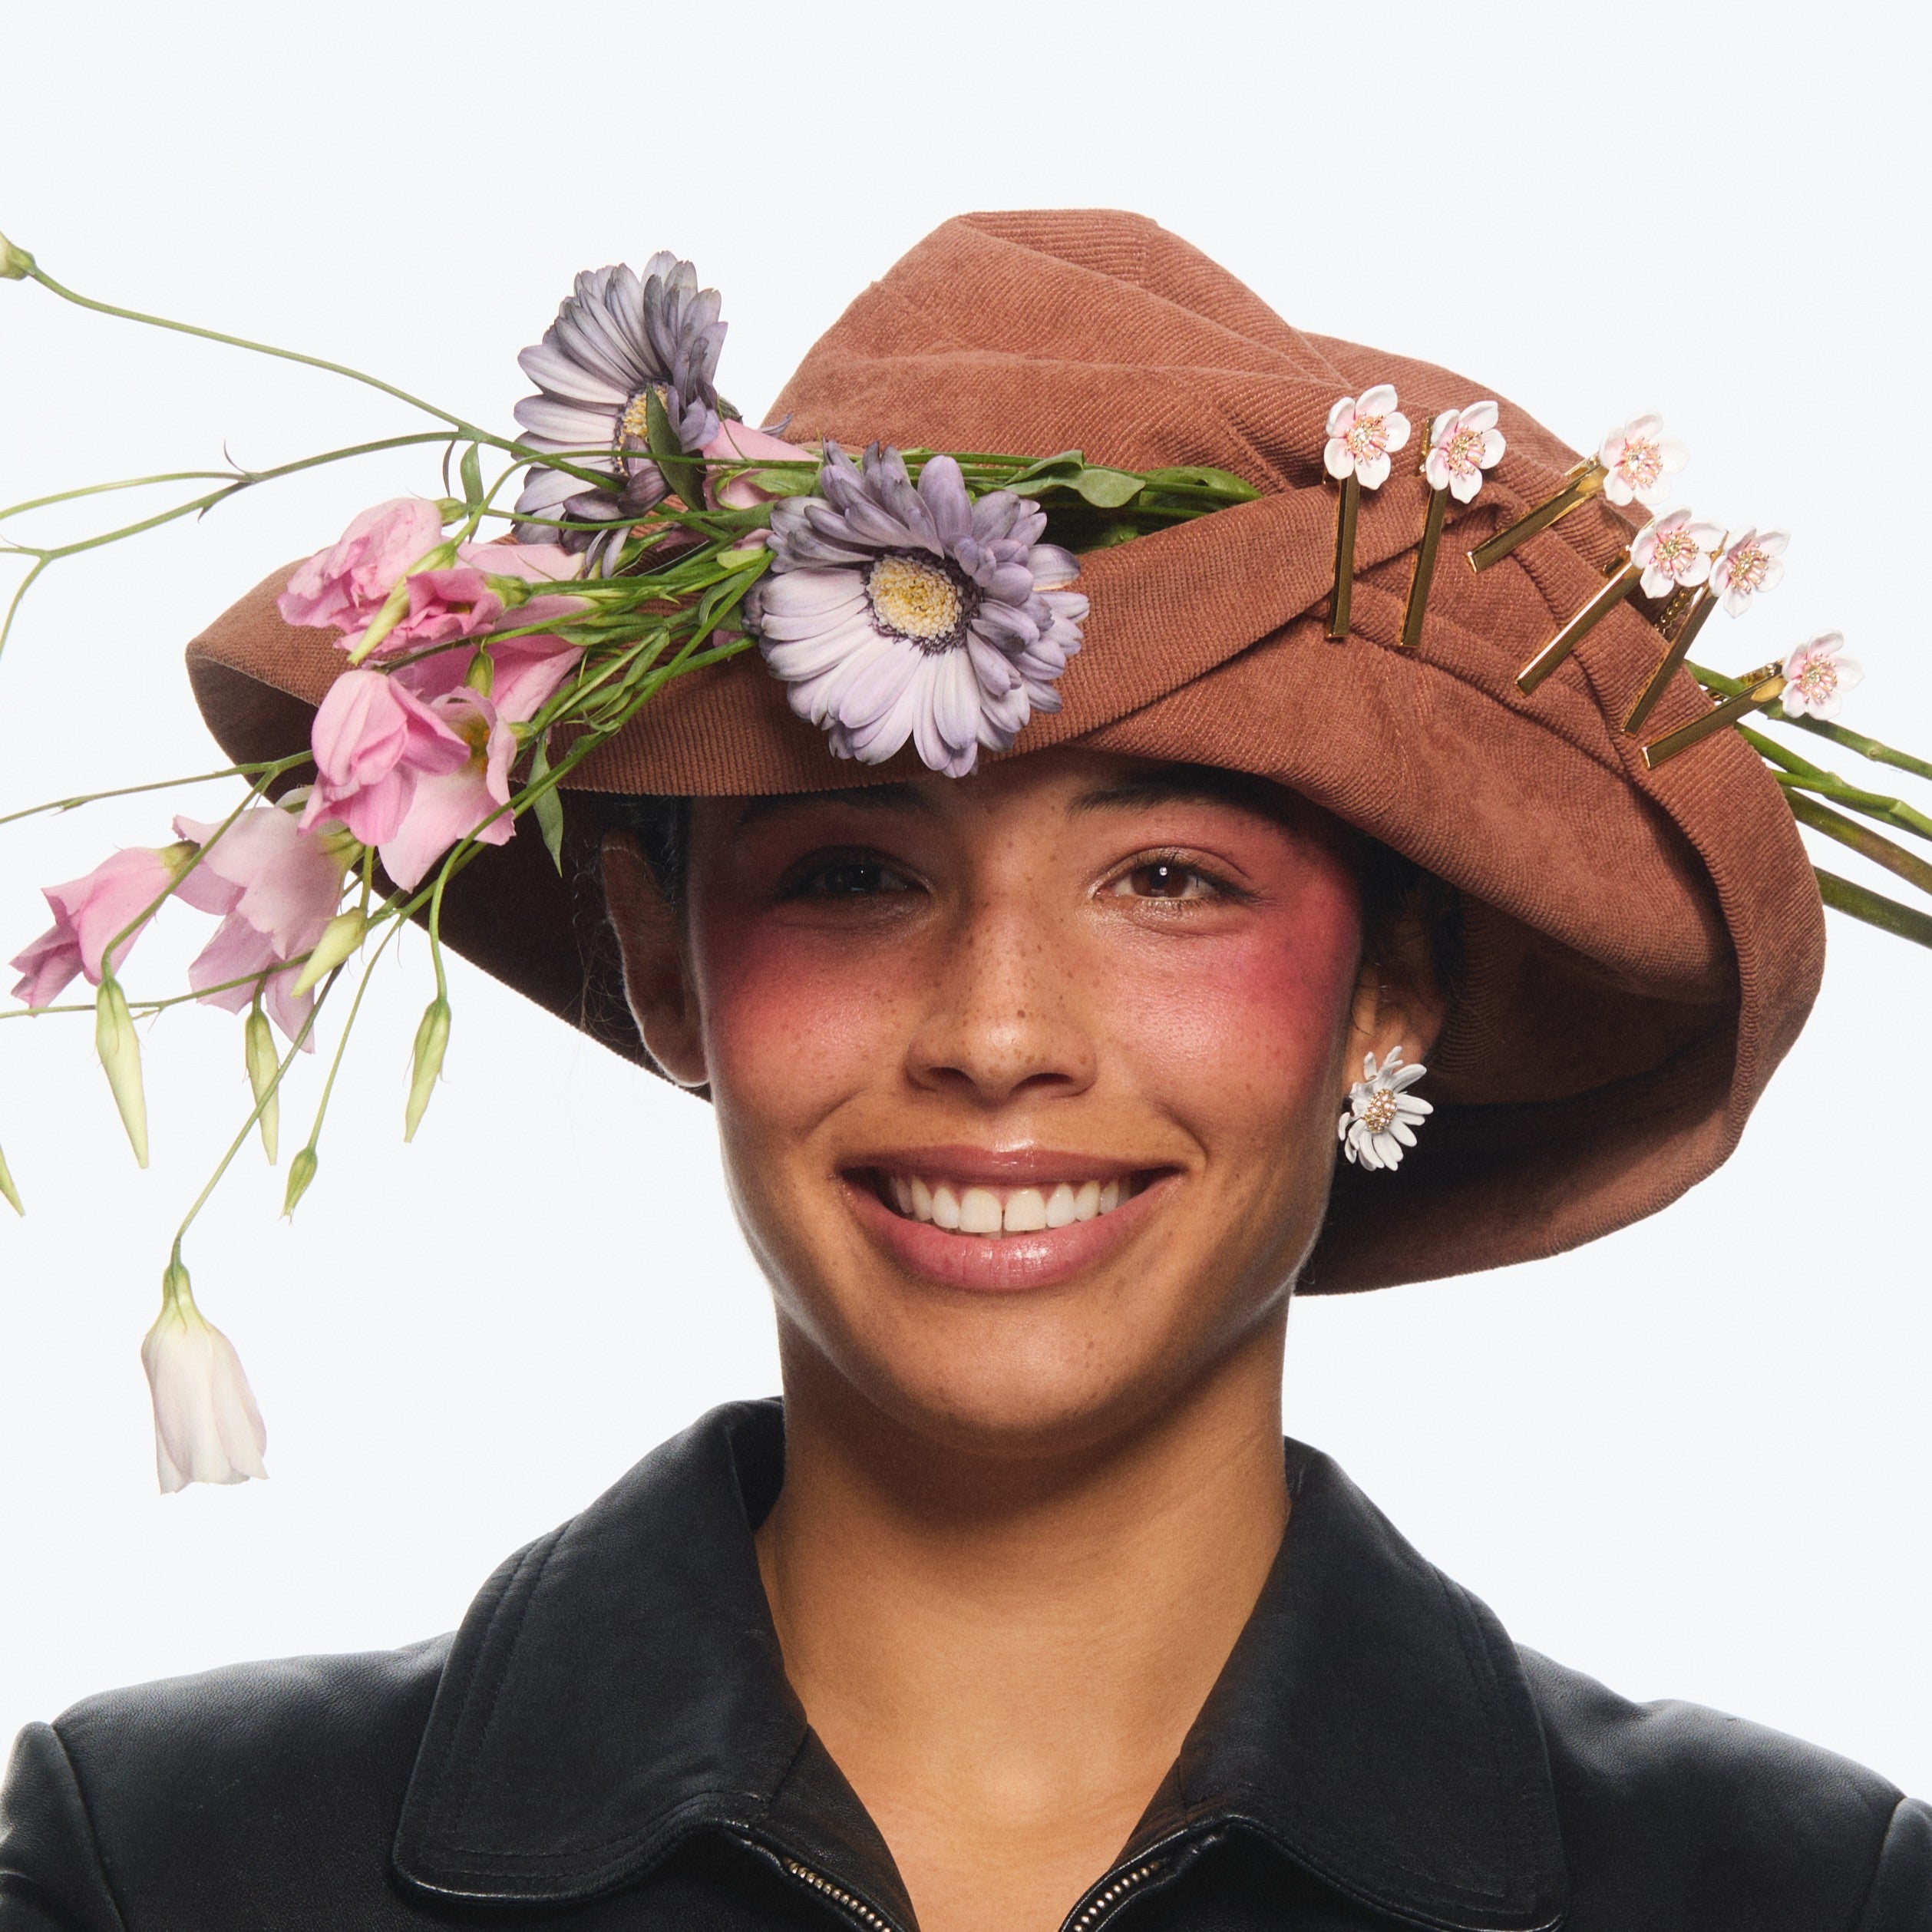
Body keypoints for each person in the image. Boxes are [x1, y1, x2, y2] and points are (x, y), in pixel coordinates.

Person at [2, 210, 1925, 1931]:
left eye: (1166, 879)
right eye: (853, 875)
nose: (998, 1034)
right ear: (662, 965)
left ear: (1388, 991)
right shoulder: (167, 1866)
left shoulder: (1792, 1894)